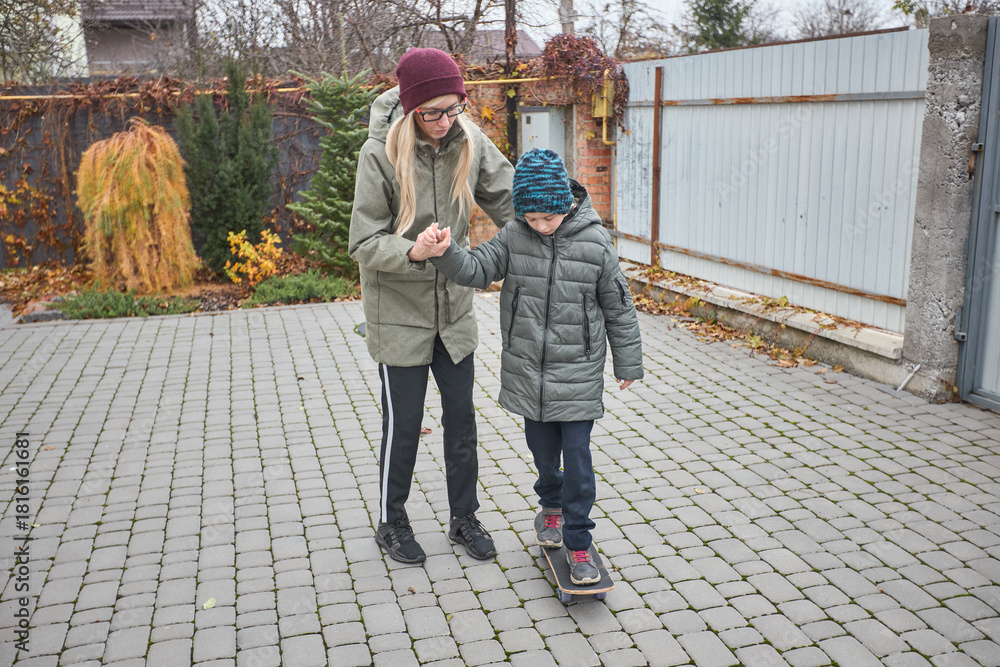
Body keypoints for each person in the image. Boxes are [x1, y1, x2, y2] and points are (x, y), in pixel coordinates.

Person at [414, 148, 644, 584]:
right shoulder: (514, 235)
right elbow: (477, 269)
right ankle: (550, 507)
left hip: (577, 375)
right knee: (543, 455)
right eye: (531, 218)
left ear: (565, 204)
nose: (539, 226)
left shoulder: (595, 242)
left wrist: (628, 362)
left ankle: (579, 543)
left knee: (578, 462)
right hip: (529, 374)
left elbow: (619, 306)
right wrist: (444, 253)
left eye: (547, 218)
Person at [348, 48, 515, 564]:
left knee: (461, 421)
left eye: (453, 109)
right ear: (410, 109)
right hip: (400, 315)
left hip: (454, 314)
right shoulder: (379, 154)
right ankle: (392, 523)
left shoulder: (470, 140)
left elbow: (513, 201)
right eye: (432, 113)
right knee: (404, 427)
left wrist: (560, 224)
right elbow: (363, 241)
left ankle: (464, 518)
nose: (445, 122)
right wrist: (413, 251)